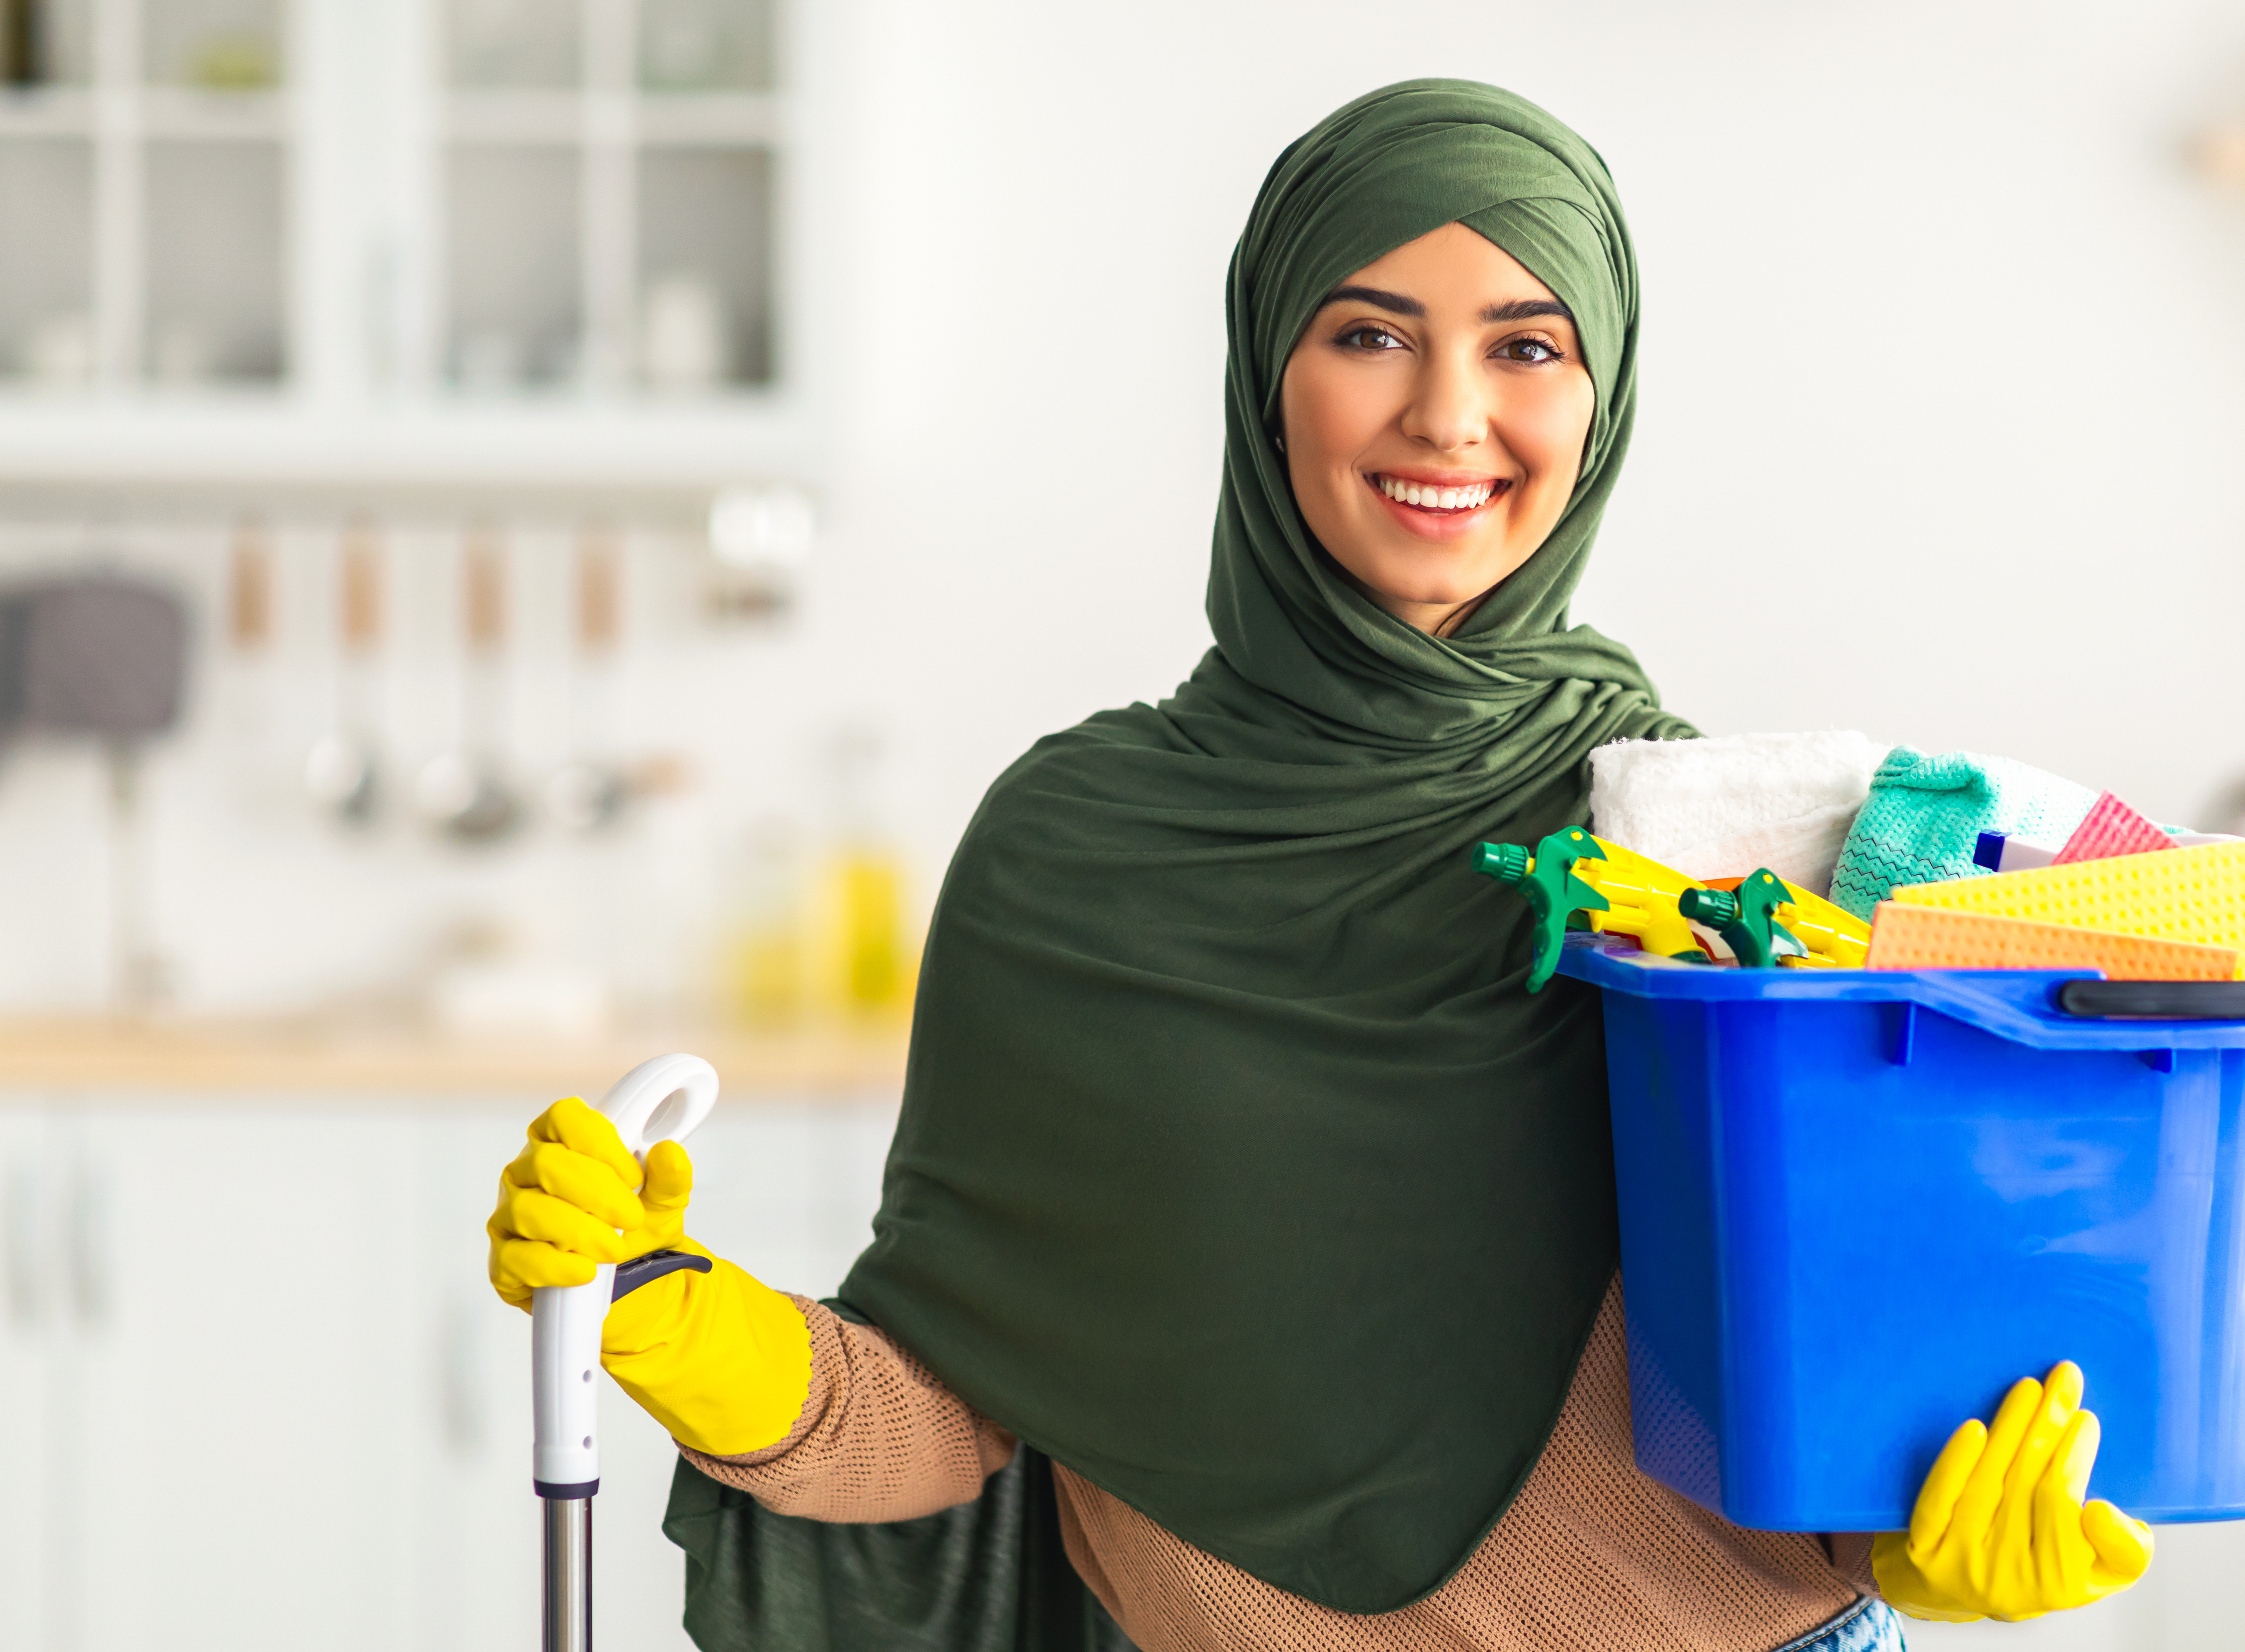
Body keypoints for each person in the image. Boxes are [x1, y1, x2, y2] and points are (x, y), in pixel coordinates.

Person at [485, 80, 2152, 1652]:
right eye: (1371, 335)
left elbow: (1844, 1370)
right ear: (1267, 373)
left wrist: (1911, 1537)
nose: (1450, 415)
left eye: (1527, 347)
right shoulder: (1074, 852)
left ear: (1603, 400)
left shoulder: (1719, 857)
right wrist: (680, 1314)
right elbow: (955, 1412)